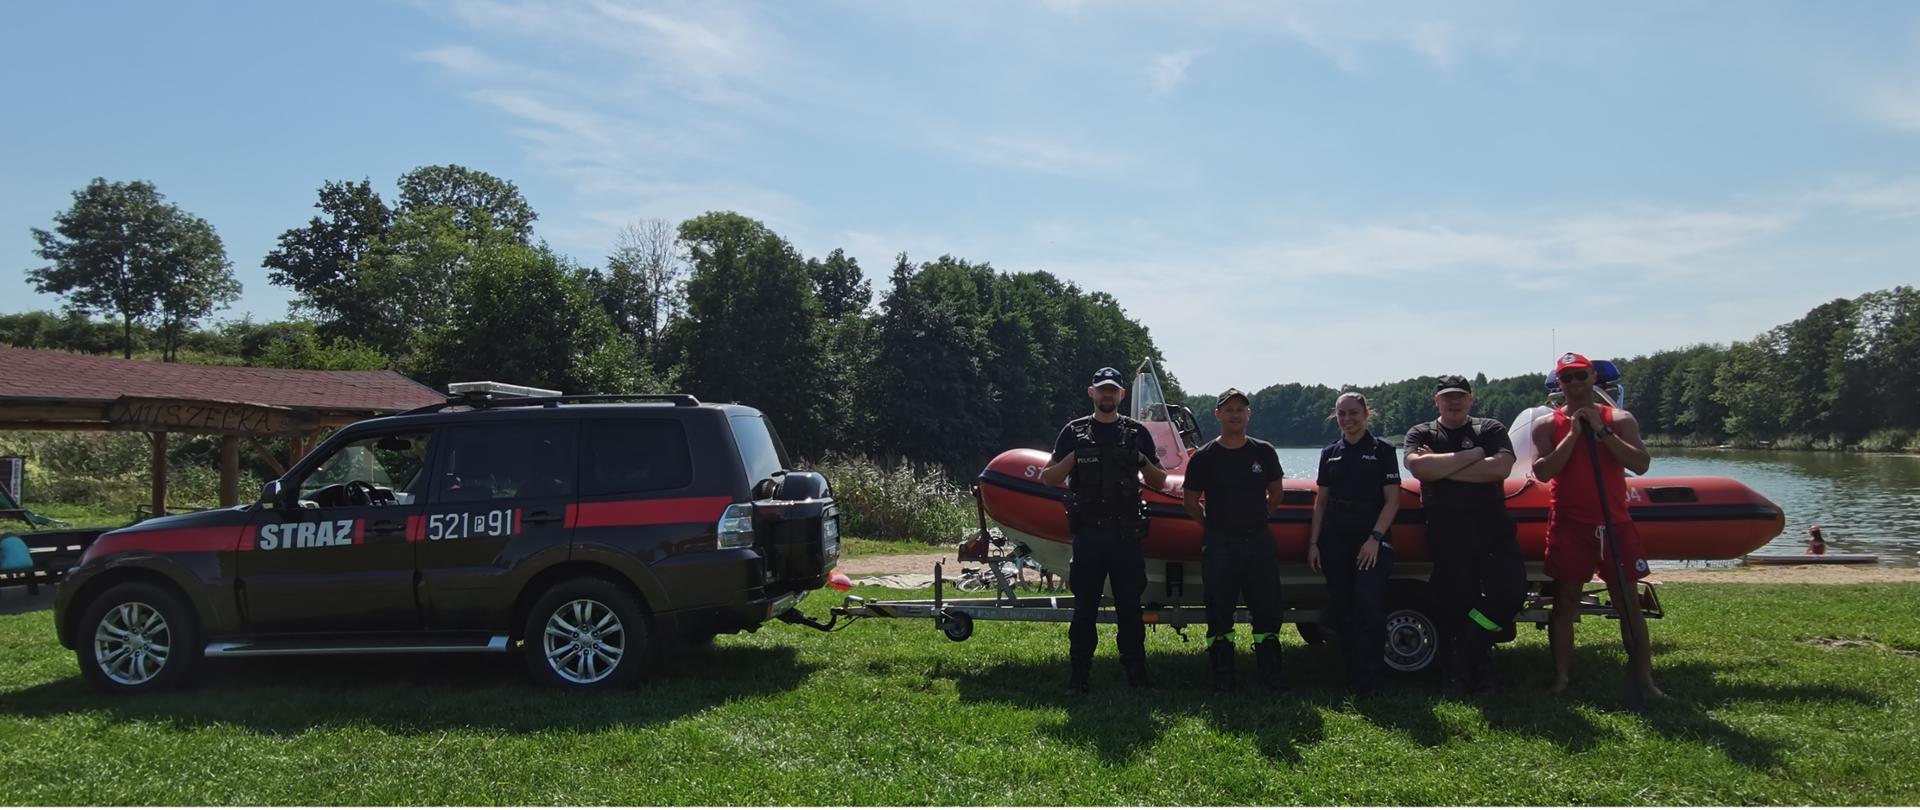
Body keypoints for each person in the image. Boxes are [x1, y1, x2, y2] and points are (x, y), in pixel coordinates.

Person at [1529, 352, 1664, 699]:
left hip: (1614, 523)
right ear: (1558, 384)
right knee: (1566, 599)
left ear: (1592, 378)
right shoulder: (1546, 425)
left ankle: (1644, 681)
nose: (1574, 383)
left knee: (1627, 602)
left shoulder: (1619, 419)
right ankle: (1561, 679)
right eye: (1567, 378)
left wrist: (1602, 432)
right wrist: (1573, 435)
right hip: (1569, 525)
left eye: (1580, 376)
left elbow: (1641, 463)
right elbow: (1543, 471)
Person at [1041, 366, 1168, 696]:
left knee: (1130, 608)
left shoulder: (1137, 433)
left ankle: (1136, 676)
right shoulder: (1074, 431)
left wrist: (1140, 459)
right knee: (1084, 609)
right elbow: (1049, 478)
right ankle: (1079, 677)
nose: (1107, 395)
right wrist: (1074, 457)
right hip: (1089, 535)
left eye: (1113, 390)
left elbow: (1161, 481)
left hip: (1126, 536)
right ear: (1092, 393)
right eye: (1102, 390)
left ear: (1122, 395)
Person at [1403, 374, 1525, 694]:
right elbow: (1420, 470)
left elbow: (1500, 469)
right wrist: (1472, 457)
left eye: (1460, 396)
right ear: (1437, 401)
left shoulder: (1490, 429)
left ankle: (1467, 651)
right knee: (1459, 600)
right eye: (1447, 397)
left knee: (1510, 594)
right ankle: (1476, 667)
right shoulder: (1422, 432)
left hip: (1492, 529)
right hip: (1448, 533)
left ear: (1470, 399)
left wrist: (1444, 469)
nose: (1453, 402)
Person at [1182, 388, 1287, 692]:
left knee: (1267, 610)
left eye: (1241, 409)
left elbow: (1276, 493)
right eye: (1229, 410)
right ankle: (1223, 677)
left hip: (1258, 542)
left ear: (1248, 414)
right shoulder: (1204, 458)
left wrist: (1260, 518)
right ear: (1218, 415)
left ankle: (1271, 676)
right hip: (1220, 545)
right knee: (1219, 612)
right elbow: (1190, 502)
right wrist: (1213, 526)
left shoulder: (1263, 451)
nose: (1235, 415)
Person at [1308, 392, 1402, 698]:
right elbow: (1321, 504)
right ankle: (1351, 676)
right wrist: (1314, 543)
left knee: (1369, 607)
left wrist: (1375, 538)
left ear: (1366, 414)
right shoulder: (1329, 453)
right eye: (1341, 414)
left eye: (1353, 413)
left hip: (1370, 537)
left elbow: (1392, 500)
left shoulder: (1382, 450)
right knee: (1343, 608)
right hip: (1335, 537)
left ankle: (1372, 679)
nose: (1348, 419)